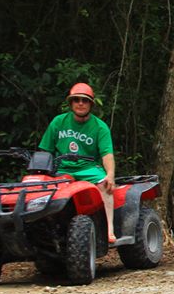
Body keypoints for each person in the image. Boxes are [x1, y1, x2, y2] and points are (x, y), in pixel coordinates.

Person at [38, 83, 118, 243]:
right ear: (71, 103)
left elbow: (106, 154)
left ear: (91, 104)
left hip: (88, 168)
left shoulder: (99, 127)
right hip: (62, 168)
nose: (80, 103)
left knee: (105, 186)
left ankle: (109, 228)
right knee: (43, 190)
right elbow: (45, 150)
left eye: (85, 100)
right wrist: (41, 172)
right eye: (76, 100)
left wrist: (110, 175)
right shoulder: (58, 122)